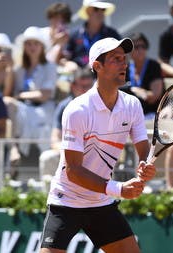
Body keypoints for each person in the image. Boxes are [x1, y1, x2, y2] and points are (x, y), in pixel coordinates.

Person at [39, 37, 156, 253]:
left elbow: (143, 149)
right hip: (66, 201)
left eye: (124, 58)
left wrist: (145, 165)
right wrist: (118, 189)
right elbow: (74, 171)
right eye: (115, 59)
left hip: (100, 202)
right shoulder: (78, 110)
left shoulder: (132, 105)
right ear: (97, 66)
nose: (124, 64)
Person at [5, 26, 58, 159]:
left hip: (43, 110)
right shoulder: (19, 69)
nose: (32, 47)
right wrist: (9, 68)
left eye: (35, 43)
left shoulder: (50, 67)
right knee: (7, 103)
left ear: (42, 46)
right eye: (28, 44)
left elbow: (44, 95)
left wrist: (20, 95)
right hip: (24, 109)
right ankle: (13, 150)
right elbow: (7, 94)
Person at [39, 66, 94, 180]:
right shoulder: (64, 107)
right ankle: (49, 196)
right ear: (73, 86)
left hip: (93, 155)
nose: (86, 90)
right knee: (47, 158)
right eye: (82, 86)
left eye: (89, 86)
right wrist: (73, 151)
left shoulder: (100, 105)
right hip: (68, 153)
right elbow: (55, 140)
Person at [119, 32, 165, 118]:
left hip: (151, 113)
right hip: (129, 114)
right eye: (136, 47)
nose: (140, 50)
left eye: (143, 46)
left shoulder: (153, 66)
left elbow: (154, 97)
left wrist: (133, 90)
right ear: (129, 51)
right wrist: (134, 90)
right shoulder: (125, 67)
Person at [65, 0, 121, 68]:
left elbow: (120, 57)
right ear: (87, 11)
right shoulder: (74, 34)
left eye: (103, 9)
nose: (100, 12)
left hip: (103, 76)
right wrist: (69, 63)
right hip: (78, 76)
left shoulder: (112, 35)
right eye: (96, 9)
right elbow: (65, 58)